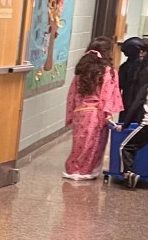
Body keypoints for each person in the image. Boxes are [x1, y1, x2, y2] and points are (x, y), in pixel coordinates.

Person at [63, 36, 123, 181]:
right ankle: (85, 171)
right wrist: (107, 114)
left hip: (79, 112)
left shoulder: (81, 70)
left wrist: (70, 115)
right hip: (96, 112)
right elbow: (106, 94)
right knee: (93, 144)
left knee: (79, 143)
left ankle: (73, 169)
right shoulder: (107, 71)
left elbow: (72, 93)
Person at [118, 55, 148, 188]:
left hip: (146, 125)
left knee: (125, 147)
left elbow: (136, 105)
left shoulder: (145, 87)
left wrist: (125, 124)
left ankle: (128, 175)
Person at [118, 36, 147, 123]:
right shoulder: (144, 67)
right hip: (142, 105)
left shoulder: (124, 67)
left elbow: (119, 86)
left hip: (126, 104)